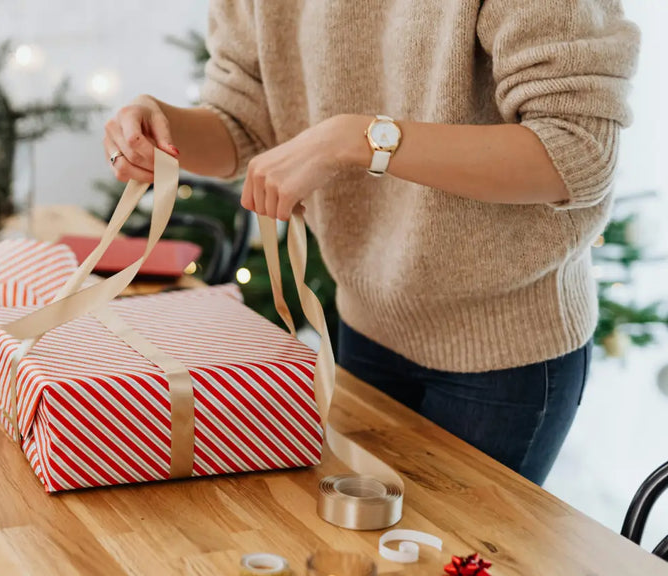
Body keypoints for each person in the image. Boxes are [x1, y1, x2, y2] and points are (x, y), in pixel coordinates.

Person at [102, 0, 640, 485]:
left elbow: (576, 151)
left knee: (456, 551)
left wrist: (354, 140)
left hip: (506, 354)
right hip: (364, 324)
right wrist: (163, 131)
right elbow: (241, 122)